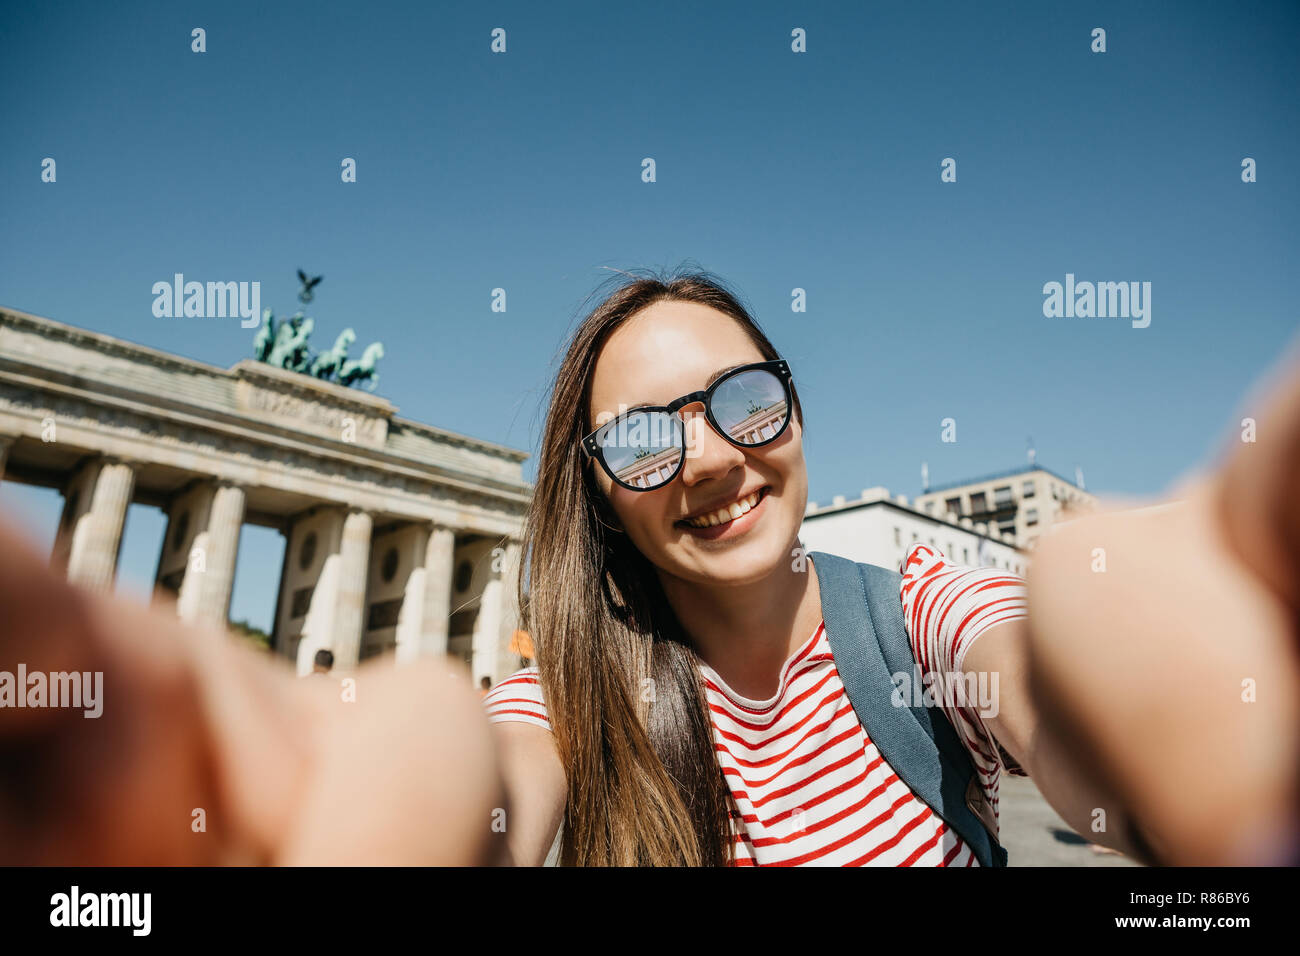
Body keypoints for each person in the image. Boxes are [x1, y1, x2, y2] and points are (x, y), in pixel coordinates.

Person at [1, 266, 1297, 866]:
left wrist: (1145, 721)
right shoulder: (574, 697)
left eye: (743, 401)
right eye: (640, 437)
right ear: (603, 502)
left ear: (792, 412)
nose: (710, 458)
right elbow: (501, 781)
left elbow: (1026, 670)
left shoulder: (915, 617)